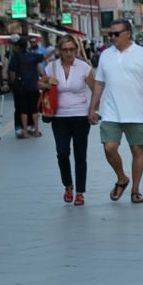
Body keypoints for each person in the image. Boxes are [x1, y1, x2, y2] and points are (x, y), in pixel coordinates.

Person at [88, 19, 143, 204]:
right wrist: (93, 107)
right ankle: (122, 178)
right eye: (110, 34)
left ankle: (135, 190)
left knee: (137, 149)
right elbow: (99, 82)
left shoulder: (142, 54)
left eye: (116, 34)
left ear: (128, 33)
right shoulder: (105, 55)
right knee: (109, 147)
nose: (112, 37)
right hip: (111, 111)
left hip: (136, 111)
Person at [42, 35, 95, 206]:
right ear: (59, 51)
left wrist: (93, 110)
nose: (69, 53)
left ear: (76, 50)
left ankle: (80, 192)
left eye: (72, 49)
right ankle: (68, 185)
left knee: (80, 155)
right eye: (65, 50)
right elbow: (39, 85)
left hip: (80, 115)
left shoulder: (84, 67)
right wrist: (46, 83)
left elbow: (96, 89)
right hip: (59, 117)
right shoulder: (52, 67)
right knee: (62, 153)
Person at [8, 37, 44, 139]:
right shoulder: (32, 55)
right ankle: (35, 130)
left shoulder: (15, 57)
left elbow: (12, 72)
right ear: (27, 45)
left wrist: (14, 84)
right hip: (33, 86)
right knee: (34, 109)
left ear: (18, 46)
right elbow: (40, 64)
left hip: (21, 87)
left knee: (22, 109)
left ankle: (24, 131)